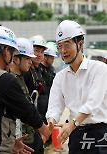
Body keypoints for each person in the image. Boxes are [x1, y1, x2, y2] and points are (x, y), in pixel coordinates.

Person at [0, 26, 53, 154]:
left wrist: (11, 142)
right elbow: (27, 111)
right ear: (6, 52)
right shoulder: (4, 79)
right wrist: (44, 129)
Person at [46, 20, 107, 154]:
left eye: (67, 44)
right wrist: (51, 121)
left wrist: (71, 124)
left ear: (80, 43)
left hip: (100, 134)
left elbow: (93, 104)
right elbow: (55, 106)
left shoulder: (100, 69)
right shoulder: (60, 77)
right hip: (76, 135)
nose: (63, 51)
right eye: (59, 46)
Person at [23, 35, 48, 154]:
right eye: (36, 50)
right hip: (29, 126)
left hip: (38, 121)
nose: (39, 54)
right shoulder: (26, 73)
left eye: (42, 52)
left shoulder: (38, 71)